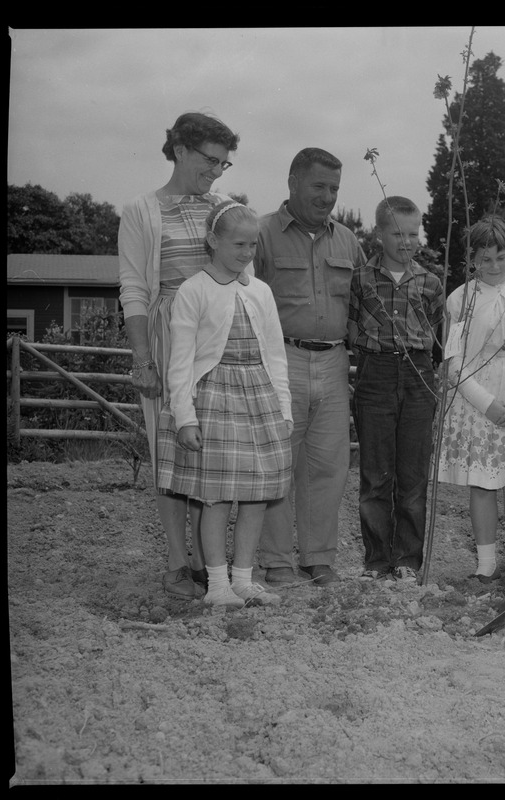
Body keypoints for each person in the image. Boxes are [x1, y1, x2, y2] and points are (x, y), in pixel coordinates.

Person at [117, 111, 240, 598]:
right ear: (180, 150)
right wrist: (143, 358)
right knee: (168, 449)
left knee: (215, 448)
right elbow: (133, 289)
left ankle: (212, 562)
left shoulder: (225, 206)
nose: (215, 171)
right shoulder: (142, 211)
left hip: (220, 338)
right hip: (170, 338)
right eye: (210, 160)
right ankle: (175, 563)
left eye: (224, 164)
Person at [160, 201, 292, 607]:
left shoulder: (261, 292)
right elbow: (180, 361)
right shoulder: (193, 290)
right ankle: (217, 584)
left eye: (253, 244)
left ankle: (243, 578)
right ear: (213, 241)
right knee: (214, 495)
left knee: (256, 492)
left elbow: (275, 354)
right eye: (238, 244)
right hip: (214, 399)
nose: (247, 252)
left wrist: (284, 408)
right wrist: (185, 417)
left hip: (258, 396)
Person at [256, 148, 367, 588]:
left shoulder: (348, 241)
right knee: (277, 462)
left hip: (334, 362)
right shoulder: (262, 234)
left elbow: (360, 305)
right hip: (280, 360)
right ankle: (278, 561)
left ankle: (318, 558)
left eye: (335, 189)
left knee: (329, 465)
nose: (327, 197)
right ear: (293, 182)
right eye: (319, 186)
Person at [437, 215, 505, 583]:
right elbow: (453, 363)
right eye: (484, 259)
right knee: (482, 484)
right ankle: (485, 563)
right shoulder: (459, 300)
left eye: (500, 257)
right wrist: (486, 403)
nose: (493, 266)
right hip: (476, 401)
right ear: (472, 259)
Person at [348, 197, 444, 582]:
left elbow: (438, 337)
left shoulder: (430, 282)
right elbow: (352, 329)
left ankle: (407, 560)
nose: (407, 242)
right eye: (397, 234)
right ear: (379, 233)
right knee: (375, 475)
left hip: (419, 375)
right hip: (376, 374)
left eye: (413, 234)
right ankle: (376, 561)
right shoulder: (362, 278)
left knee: (413, 475)